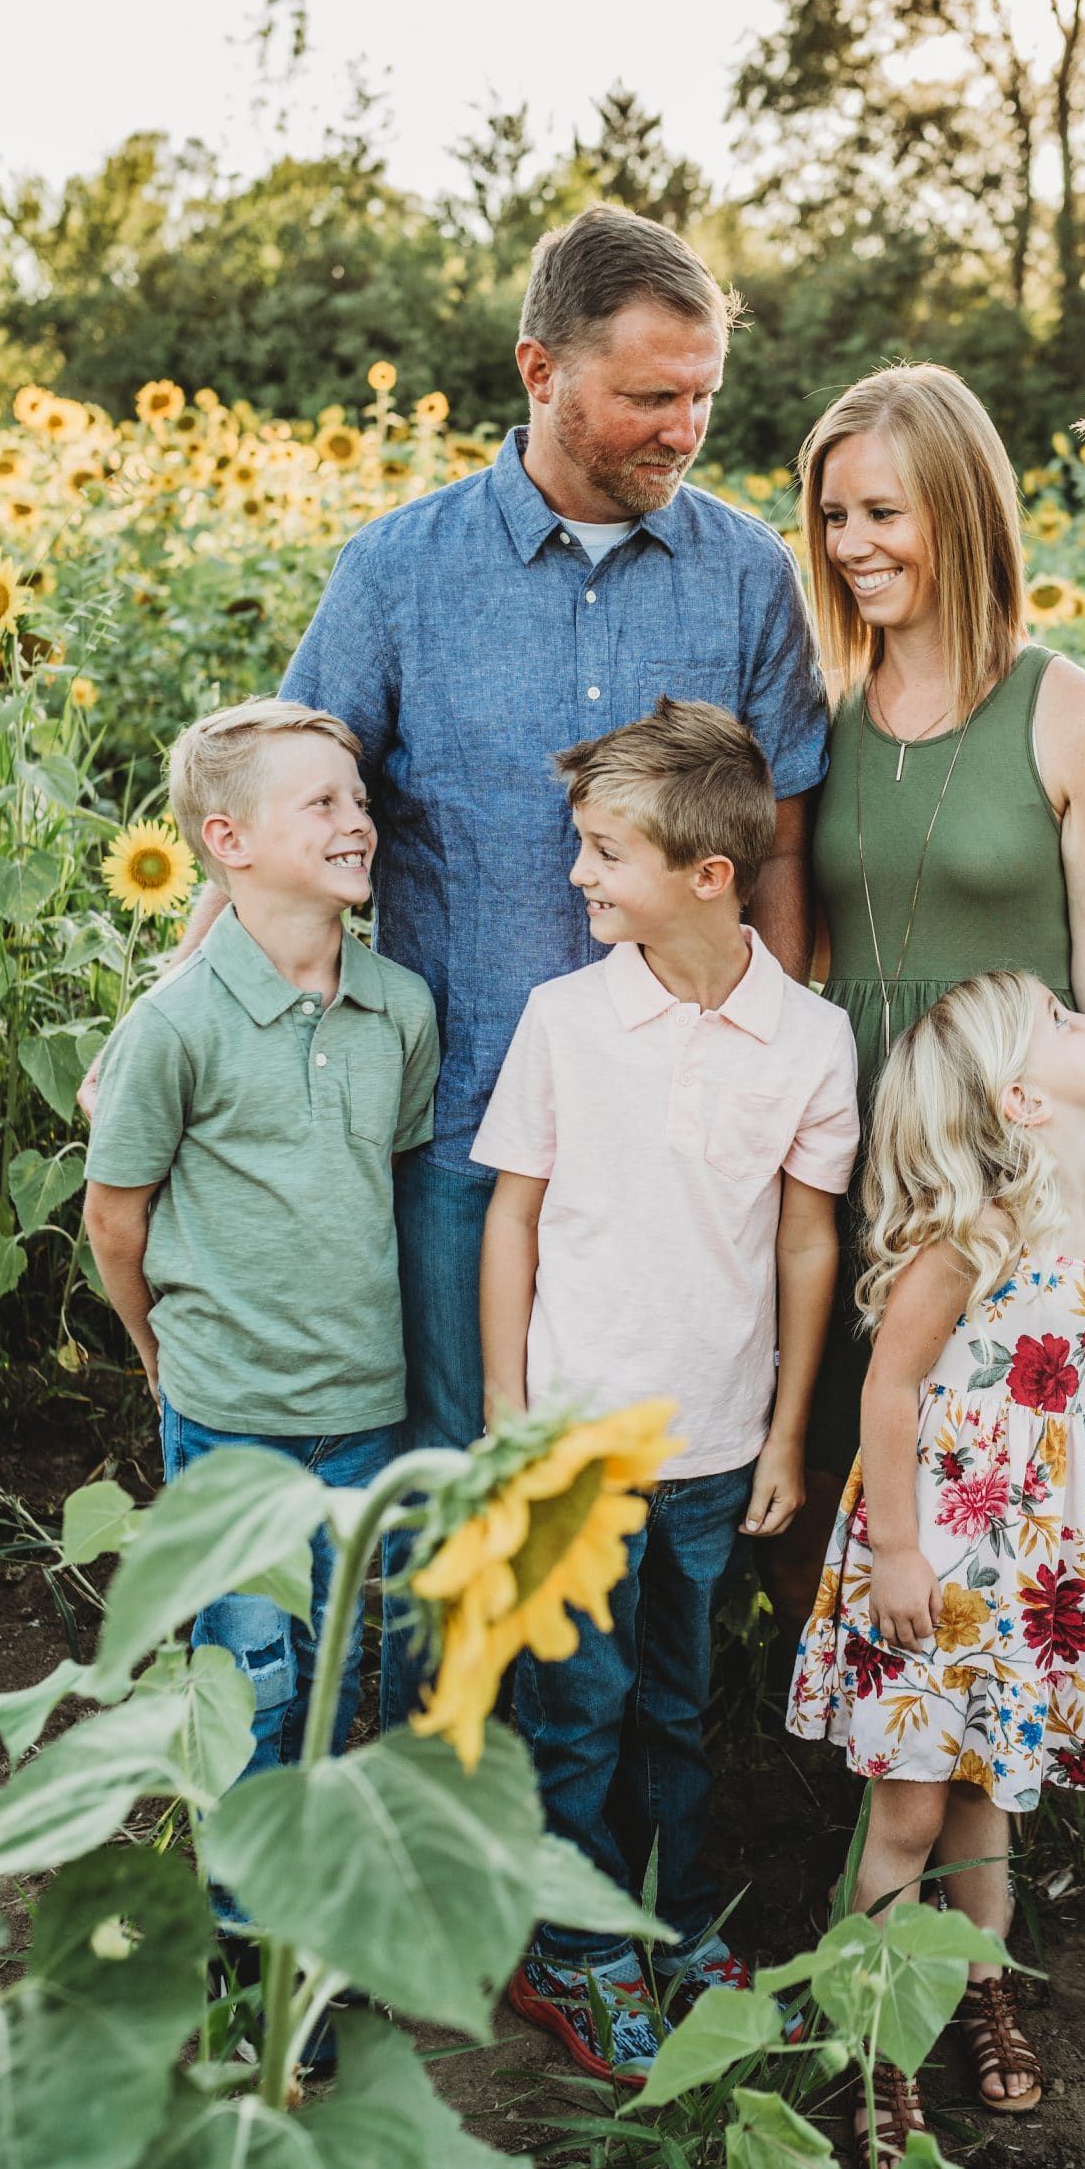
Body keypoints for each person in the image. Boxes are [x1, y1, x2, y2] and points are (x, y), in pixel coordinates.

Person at [137, 205, 829, 1722]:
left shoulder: (745, 577)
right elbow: (281, 811)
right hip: (459, 1137)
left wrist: (782, 1091)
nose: (686, 426)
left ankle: (591, 1865)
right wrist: (178, 1021)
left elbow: (781, 859)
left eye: (703, 390)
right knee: (461, 1496)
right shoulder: (397, 575)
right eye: (651, 394)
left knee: (644, 1526)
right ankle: (431, 1843)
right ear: (540, 367)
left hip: (683, 1148)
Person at [756, 362, 1085, 1643]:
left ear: (959, 511)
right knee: (834, 1434)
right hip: (853, 1136)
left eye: (882, 514)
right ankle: (845, 1774)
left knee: (1001, 1471)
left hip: (1007, 1165)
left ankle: (982, 1785)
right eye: (833, 518)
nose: (850, 548)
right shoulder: (819, 717)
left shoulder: (1075, 715)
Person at [476, 700, 859, 2081]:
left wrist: (783, 1430)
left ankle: (675, 1922)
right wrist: (509, 1414)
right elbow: (512, 1220)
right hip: (572, 1439)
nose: (578, 875)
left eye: (603, 854)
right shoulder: (565, 1021)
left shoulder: (809, 1041)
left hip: (710, 1444)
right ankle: (570, 1952)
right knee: (574, 1706)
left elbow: (806, 1238)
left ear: (711, 876)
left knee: (676, 1703)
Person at [789, 970, 1085, 2166]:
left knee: (993, 1790)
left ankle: (981, 1985)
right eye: (1063, 1022)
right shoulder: (978, 1231)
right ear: (1023, 1097)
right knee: (908, 1807)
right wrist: (895, 1550)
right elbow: (891, 1389)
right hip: (938, 1542)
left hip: (1033, 1555)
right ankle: (875, 2038)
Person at [83, 700, 440, 1786]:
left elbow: (377, 1185)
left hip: (362, 1412)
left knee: (334, 1665)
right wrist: (158, 1353)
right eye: (322, 803)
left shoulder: (401, 1010)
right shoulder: (176, 1025)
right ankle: (241, 1933)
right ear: (227, 842)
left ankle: (310, 1903)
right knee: (248, 1674)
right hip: (232, 1414)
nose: (357, 823)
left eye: (361, 801)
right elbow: (114, 1219)